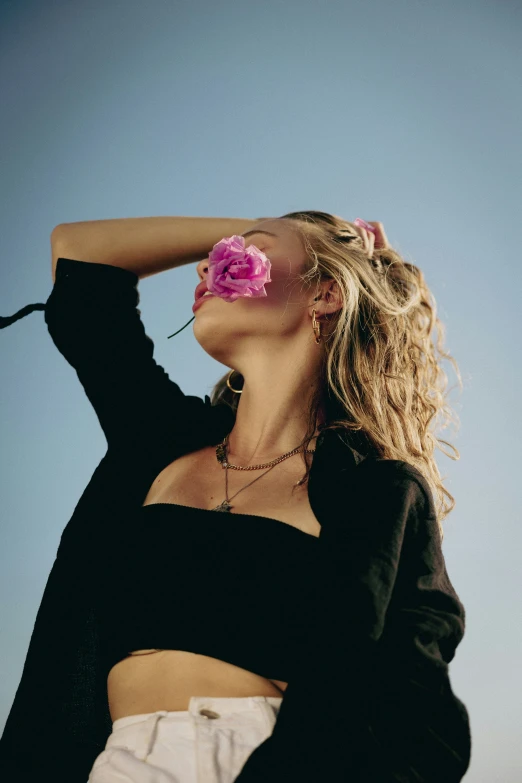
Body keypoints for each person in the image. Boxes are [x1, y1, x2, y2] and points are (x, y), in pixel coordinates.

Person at [0, 212, 471, 782]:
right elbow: (80, 258)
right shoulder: (157, 441)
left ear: (325, 294)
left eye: (247, 251)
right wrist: (256, 230)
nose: (207, 263)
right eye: (216, 254)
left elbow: (417, 722)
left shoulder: (379, 492)